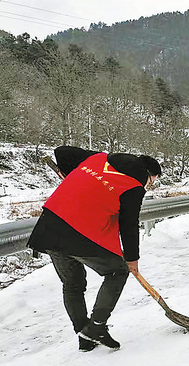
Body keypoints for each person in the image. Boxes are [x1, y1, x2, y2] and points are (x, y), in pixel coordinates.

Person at [27, 146, 162, 351]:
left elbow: (62, 151)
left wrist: (71, 173)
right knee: (118, 271)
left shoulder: (99, 159)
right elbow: (128, 224)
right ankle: (96, 327)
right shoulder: (134, 186)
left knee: (72, 283)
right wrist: (132, 259)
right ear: (149, 175)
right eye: (152, 181)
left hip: (50, 225)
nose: (149, 185)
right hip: (80, 232)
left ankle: (85, 336)